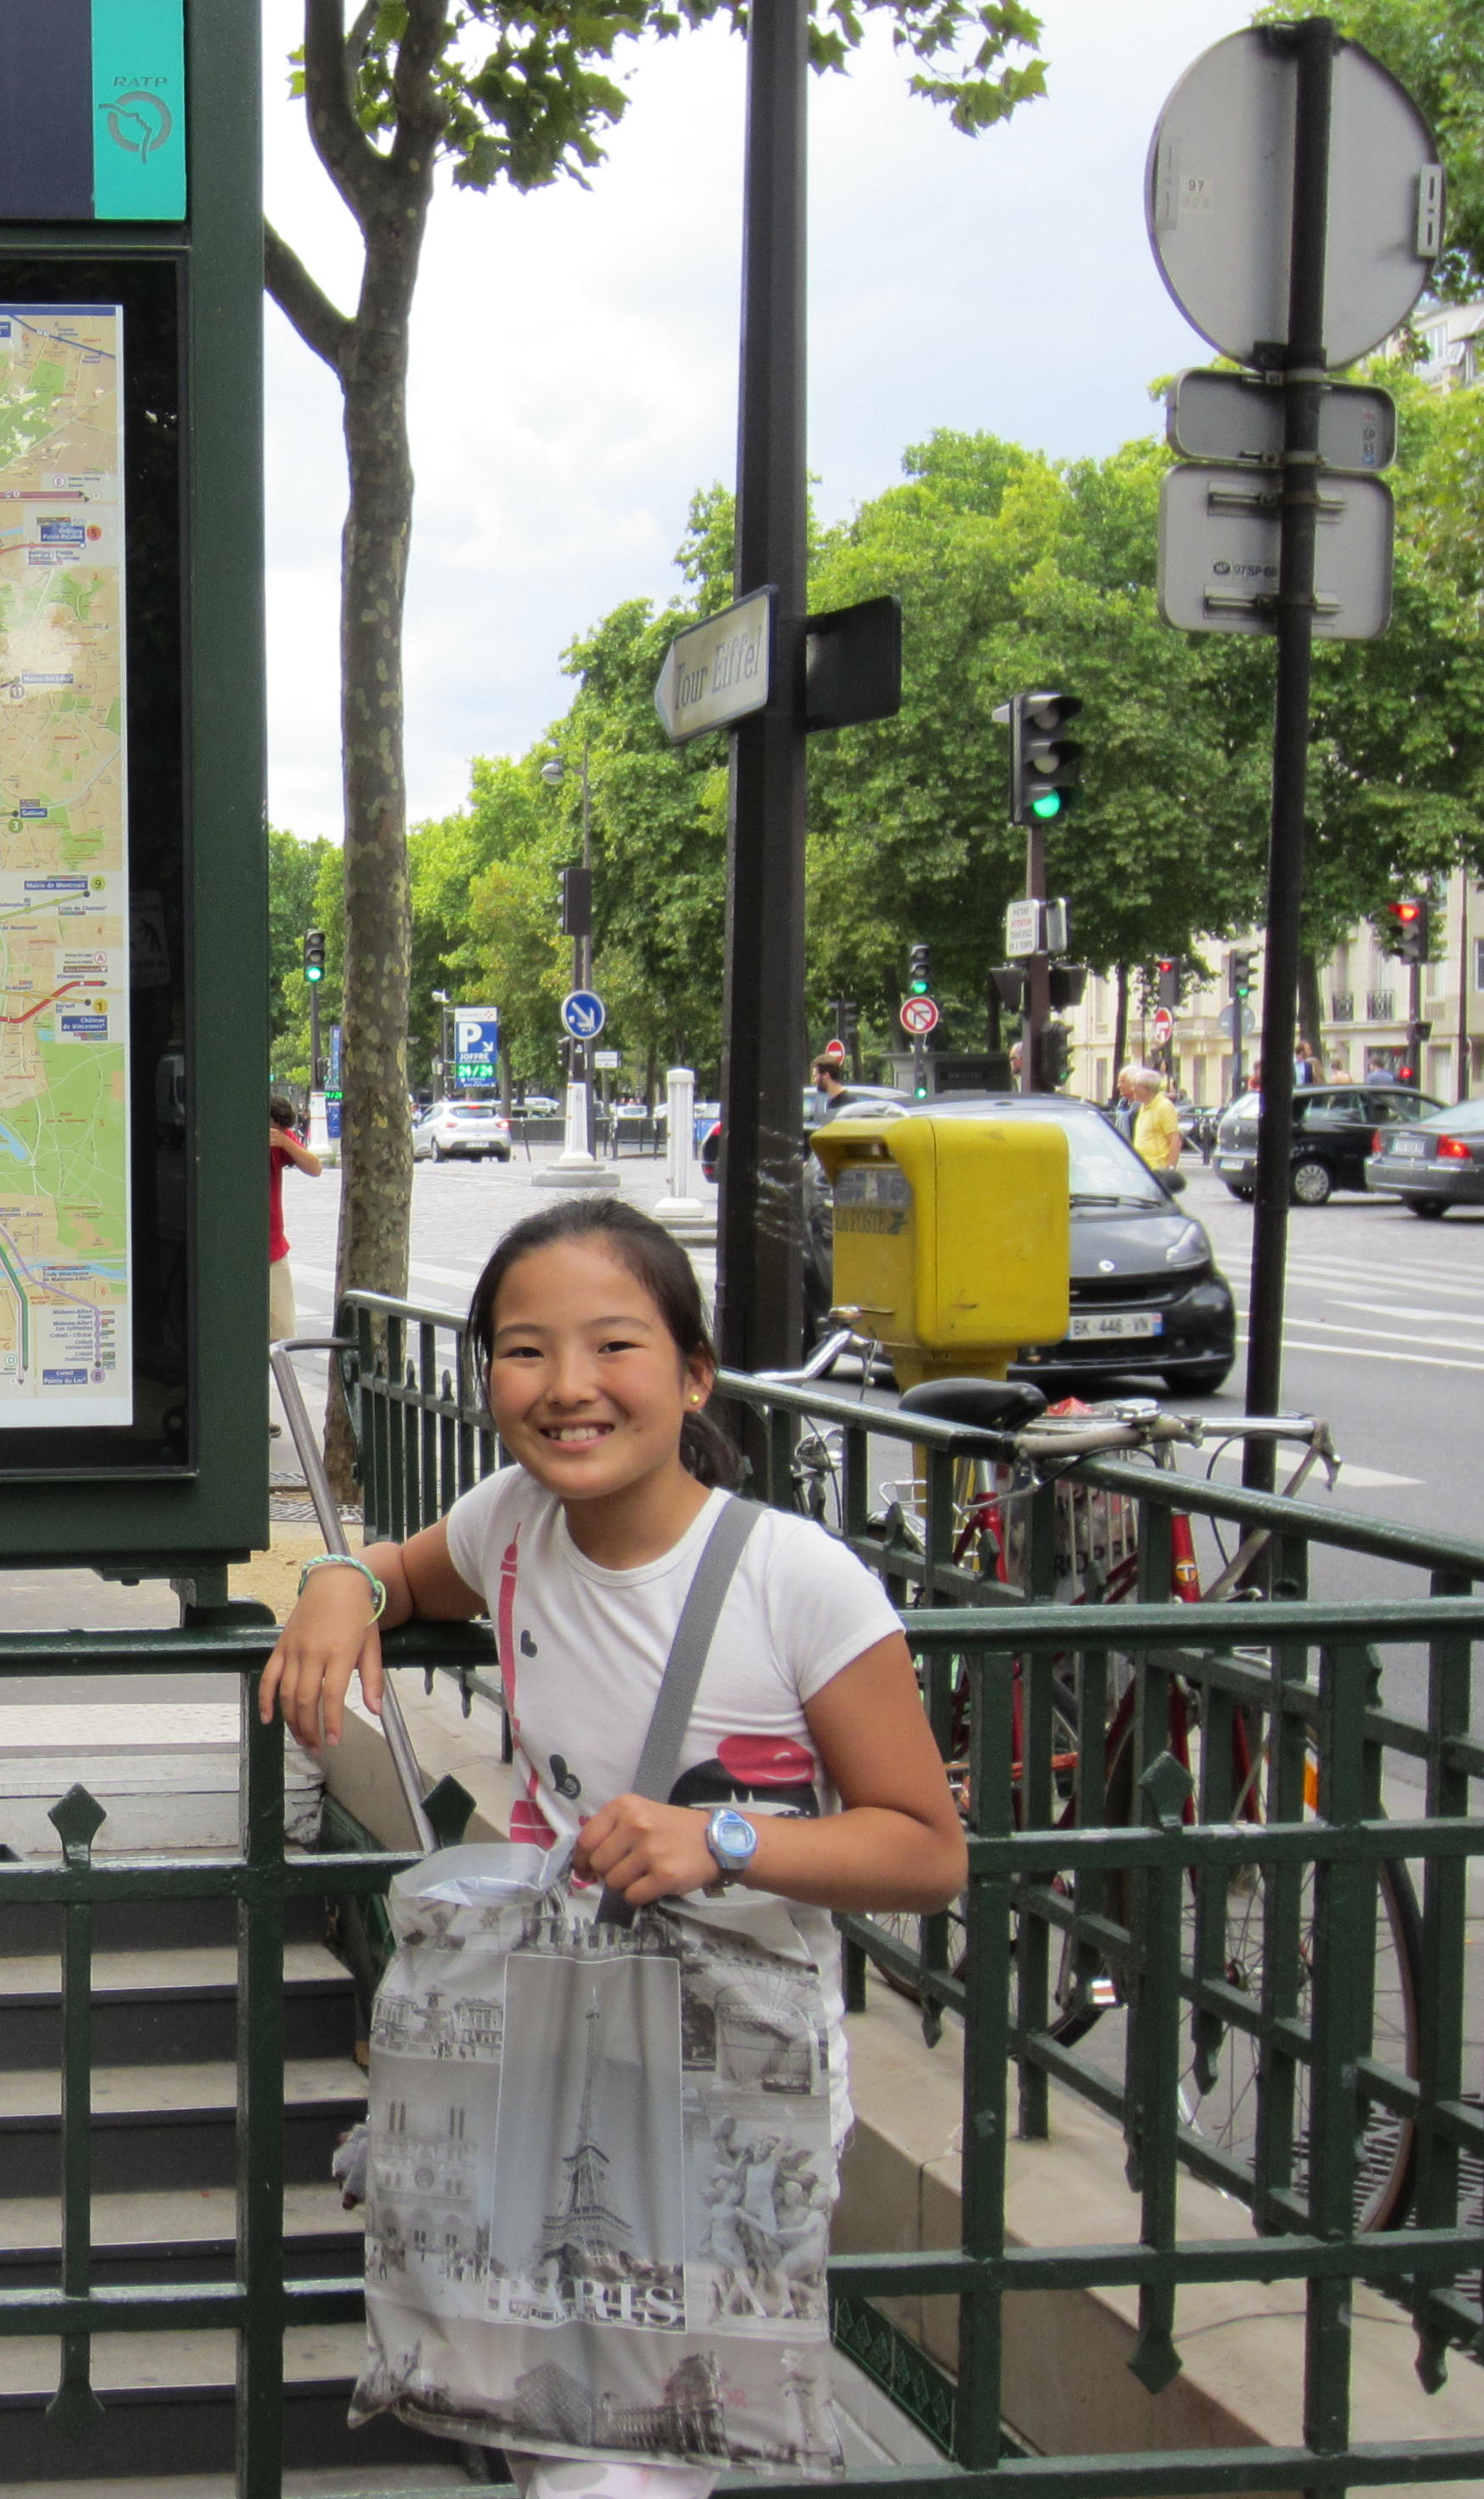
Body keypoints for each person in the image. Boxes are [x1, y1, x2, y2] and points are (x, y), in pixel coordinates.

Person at [261, 1198, 963, 2499]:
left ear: (694, 1375)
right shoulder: (513, 1524)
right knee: (543, 2419)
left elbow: (926, 1851)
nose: (568, 1386)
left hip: (723, 2080)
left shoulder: (797, 1581)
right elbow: (406, 1572)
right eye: (525, 1351)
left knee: (625, 2456)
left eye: (615, 1347)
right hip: (543, 2047)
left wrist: (726, 1839)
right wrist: (338, 1582)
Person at [266, 1095, 323, 1433]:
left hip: (273, 1250)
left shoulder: (280, 1142)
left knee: (278, 1334)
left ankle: (263, 1410)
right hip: (248, 1249)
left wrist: (285, 1142)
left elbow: (314, 1167)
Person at [1123, 1063, 1184, 1180]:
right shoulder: (1144, 1106)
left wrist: (1170, 1170)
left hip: (1158, 1171)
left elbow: (1175, 1140)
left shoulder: (1164, 1106)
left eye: (1135, 1086)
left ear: (1145, 1089)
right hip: (1143, 1169)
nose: (1132, 1089)